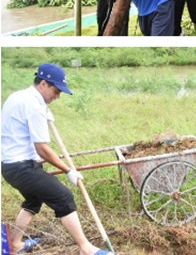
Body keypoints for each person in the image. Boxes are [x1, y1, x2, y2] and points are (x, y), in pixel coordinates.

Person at [1, 63, 116, 255]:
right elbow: (43, 149)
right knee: (63, 197)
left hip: (8, 164)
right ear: (43, 84)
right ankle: (85, 248)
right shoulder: (34, 106)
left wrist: (43, 112)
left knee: (33, 199)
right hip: (21, 167)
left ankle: (17, 245)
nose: (57, 96)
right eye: (56, 90)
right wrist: (68, 170)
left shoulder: (18, 97)